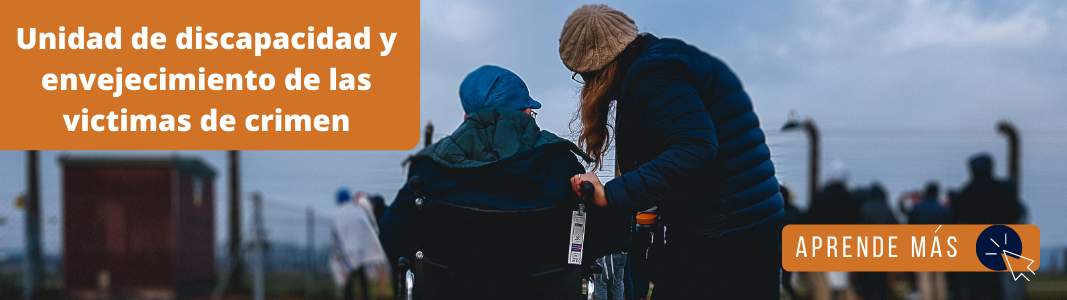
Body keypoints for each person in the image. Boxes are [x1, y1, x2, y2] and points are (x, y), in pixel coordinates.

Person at [559, 5, 783, 299]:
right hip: (755, 222)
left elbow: (696, 150)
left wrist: (610, 194)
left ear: (599, 69)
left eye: (585, 77)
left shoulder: (650, 77)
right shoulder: (668, 58)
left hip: (720, 234)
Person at [378, 65, 608, 299]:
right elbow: (598, 241)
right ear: (527, 112)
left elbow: (391, 239)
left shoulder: (429, 169)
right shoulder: (563, 165)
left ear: (467, 117)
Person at [949, 153, 1022, 300]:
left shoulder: (968, 191)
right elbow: (1016, 212)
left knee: (977, 285)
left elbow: (956, 216)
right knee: (996, 283)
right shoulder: (1002, 189)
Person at [802, 161, 860, 300]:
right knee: (843, 283)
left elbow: (808, 222)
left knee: (822, 285)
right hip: (846, 245)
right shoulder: (851, 199)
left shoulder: (820, 197)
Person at [331, 188, 390, 300]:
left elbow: (336, 237)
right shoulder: (358, 212)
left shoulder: (336, 216)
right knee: (363, 281)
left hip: (346, 253)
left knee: (348, 282)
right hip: (361, 252)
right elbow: (370, 230)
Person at [909, 181, 949, 300]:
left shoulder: (918, 207)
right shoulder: (942, 208)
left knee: (924, 277)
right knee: (939, 277)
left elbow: (910, 226)